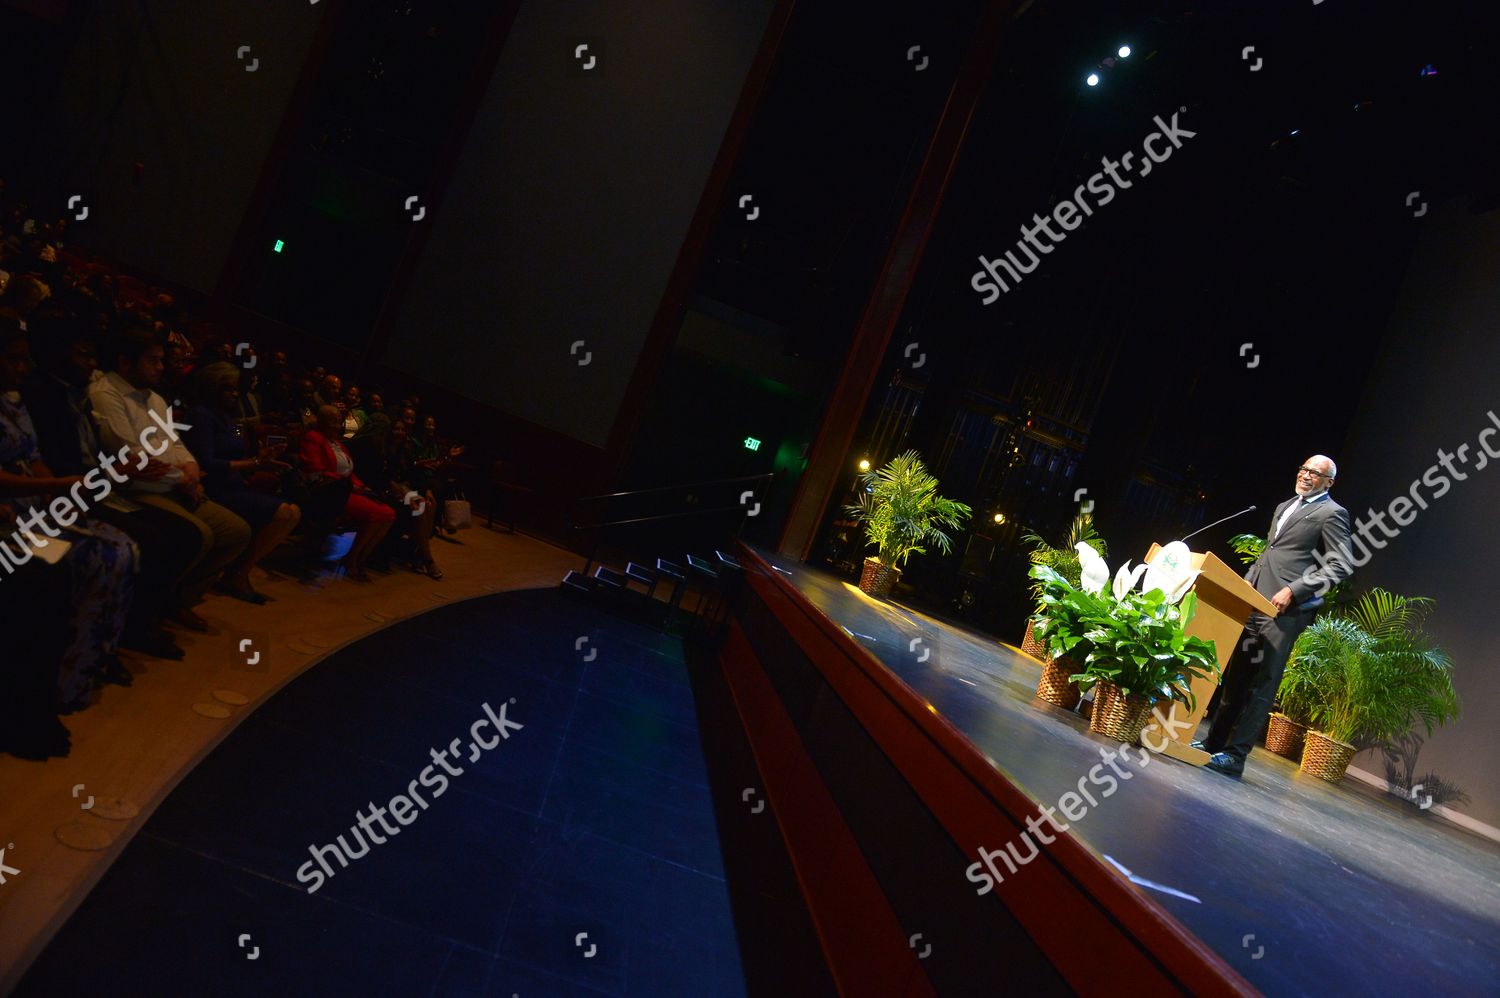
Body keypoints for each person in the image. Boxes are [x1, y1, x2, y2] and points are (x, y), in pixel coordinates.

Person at [23, 309, 198, 659]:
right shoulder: (42, 394)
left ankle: (107, 641)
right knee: (135, 545)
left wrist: (109, 474)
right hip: (53, 498)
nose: (91, 364)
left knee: (170, 538)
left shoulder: (72, 394)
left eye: (92, 355)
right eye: (83, 355)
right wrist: (104, 476)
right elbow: (47, 464)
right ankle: (87, 647)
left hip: (85, 489)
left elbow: (81, 461)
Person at [0, 319, 138, 711]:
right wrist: (58, 488)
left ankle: (91, 661)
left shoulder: (13, 401)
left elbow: (34, 458)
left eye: (24, 360)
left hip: (32, 506)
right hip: (8, 516)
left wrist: (56, 488)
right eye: (13, 359)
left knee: (125, 549)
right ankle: (58, 678)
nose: (22, 368)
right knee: (90, 557)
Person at [1195, 455, 1354, 777]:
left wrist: (1295, 590)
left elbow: (1341, 565)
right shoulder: (1285, 506)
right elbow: (1269, 553)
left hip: (1285, 612)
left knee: (1261, 686)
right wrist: (1245, 585)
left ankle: (1235, 756)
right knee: (1236, 679)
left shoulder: (1331, 513)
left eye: (1315, 473)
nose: (1306, 476)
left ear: (1329, 482)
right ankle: (1214, 743)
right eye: (1303, 469)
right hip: (1253, 604)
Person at [88, 325, 251, 631]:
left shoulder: (159, 399)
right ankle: (149, 610)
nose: (162, 367)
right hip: (136, 488)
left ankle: (178, 600)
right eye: (154, 360)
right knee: (198, 534)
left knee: (236, 531)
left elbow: (174, 443)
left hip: (180, 483)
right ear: (125, 362)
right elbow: (133, 455)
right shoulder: (108, 394)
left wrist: (188, 467)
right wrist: (185, 476)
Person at [184, 363, 300, 604]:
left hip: (235, 484)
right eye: (228, 389)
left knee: (293, 512)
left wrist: (264, 458)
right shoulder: (201, 415)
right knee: (283, 514)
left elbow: (239, 455)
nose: (234, 394)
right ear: (212, 388)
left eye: (236, 389)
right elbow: (207, 462)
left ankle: (239, 572)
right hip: (213, 487)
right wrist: (254, 464)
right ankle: (237, 574)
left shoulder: (232, 421)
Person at [299, 405, 394, 581]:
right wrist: (350, 485)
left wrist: (362, 487)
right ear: (320, 422)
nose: (336, 426)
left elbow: (350, 472)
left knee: (389, 514)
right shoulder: (312, 439)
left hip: (347, 489)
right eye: (332, 422)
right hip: (330, 492)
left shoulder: (339, 444)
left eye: (338, 422)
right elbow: (315, 470)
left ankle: (360, 558)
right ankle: (351, 559)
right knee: (377, 515)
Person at [349, 414, 441, 579]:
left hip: (401, 489)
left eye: (402, 429)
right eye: (395, 429)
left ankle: (418, 552)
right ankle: (426, 558)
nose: (399, 432)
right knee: (417, 507)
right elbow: (385, 479)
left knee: (426, 503)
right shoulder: (381, 448)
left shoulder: (403, 449)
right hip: (390, 490)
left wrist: (425, 489)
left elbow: (410, 475)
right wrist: (405, 493)